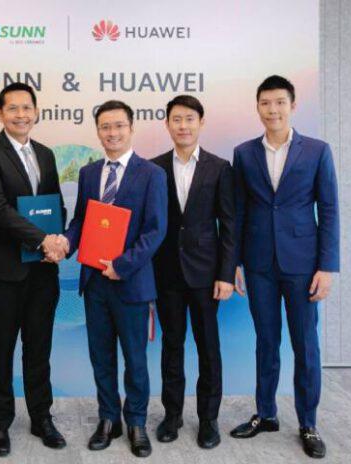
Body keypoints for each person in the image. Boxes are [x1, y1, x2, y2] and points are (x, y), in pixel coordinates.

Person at [230, 75, 340, 459]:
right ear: (258, 107)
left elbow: (329, 210)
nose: (272, 110)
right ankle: (266, 414)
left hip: (303, 265)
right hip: (259, 263)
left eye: (279, 102)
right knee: (266, 341)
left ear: (293, 105)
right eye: (266, 103)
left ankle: (308, 422)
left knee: (305, 344)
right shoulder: (244, 153)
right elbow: (238, 211)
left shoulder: (317, 151)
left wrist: (327, 266)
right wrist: (235, 262)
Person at [59, 100, 167, 458]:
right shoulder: (89, 173)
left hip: (131, 283)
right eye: (105, 126)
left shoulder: (151, 174)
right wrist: (66, 242)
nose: (112, 133)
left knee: (135, 359)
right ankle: (108, 418)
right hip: (95, 283)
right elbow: (80, 221)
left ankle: (136, 421)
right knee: (101, 357)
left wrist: (123, 265)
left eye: (119, 125)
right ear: (98, 131)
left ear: (131, 128)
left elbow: (155, 230)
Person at [0, 83, 67, 457]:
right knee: (2, 348)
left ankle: (41, 417)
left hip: (42, 270)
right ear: (0, 113)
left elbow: (55, 204)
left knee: (39, 347)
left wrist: (57, 241)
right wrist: (43, 240)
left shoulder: (45, 154)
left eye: (27, 107)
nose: (21, 114)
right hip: (4, 271)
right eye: (13, 108)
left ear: (36, 111)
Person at [151, 95, 236, 449]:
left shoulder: (219, 168)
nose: (183, 125)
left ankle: (208, 419)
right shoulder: (154, 168)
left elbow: (229, 224)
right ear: (167, 124)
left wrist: (226, 274)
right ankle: (172, 416)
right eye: (176, 119)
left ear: (201, 122)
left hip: (206, 275)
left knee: (208, 348)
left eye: (189, 119)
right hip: (166, 273)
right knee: (171, 346)